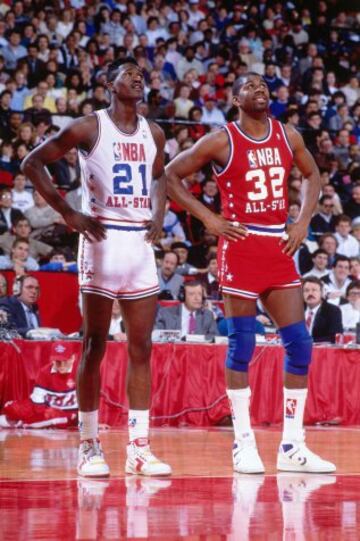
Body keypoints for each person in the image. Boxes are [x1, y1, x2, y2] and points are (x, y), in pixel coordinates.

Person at [166, 72, 335, 473]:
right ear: (237, 98)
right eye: (251, 86)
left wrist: (302, 221)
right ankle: (243, 442)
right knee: (241, 344)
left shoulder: (288, 134)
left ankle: (292, 445)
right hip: (241, 244)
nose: (260, 90)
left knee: (300, 344)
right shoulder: (222, 139)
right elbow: (170, 174)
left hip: (278, 242)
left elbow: (312, 175)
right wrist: (208, 217)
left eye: (264, 85)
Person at [21, 57, 171, 478]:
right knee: (94, 346)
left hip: (140, 244)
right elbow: (32, 162)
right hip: (101, 242)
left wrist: (159, 213)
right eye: (129, 73)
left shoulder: (154, 131)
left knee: (142, 348)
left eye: (142, 73)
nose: (138, 77)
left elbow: (160, 176)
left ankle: (138, 448)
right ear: (108, 83)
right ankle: (89, 444)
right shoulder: (89, 126)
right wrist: (68, 214)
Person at [0, 341, 78, 429]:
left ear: (73, 358)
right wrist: (45, 413)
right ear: (52, 359)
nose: (62, 366)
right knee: (11, 408)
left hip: (69, 414)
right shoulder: (44, 372)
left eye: (65, 361)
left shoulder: (81, 373)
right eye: (57, 361)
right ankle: (31, 422)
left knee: (60, 417)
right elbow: (37, 406)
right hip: (45, 409)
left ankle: (21, 423)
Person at [302, 277, 343, 343]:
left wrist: (308, 342)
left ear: (321, 293)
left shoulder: (333, 311)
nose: (310, 293)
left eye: (314, 290)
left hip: (321, 351)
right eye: (306, 290)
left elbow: (333, 337)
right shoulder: (296, 311)